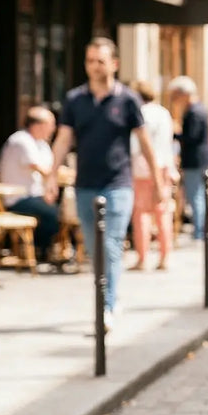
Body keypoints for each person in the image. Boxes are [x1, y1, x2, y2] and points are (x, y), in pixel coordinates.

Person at [47, 38, 162, 329]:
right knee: (93, 248)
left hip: (118, 184)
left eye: (100, 61)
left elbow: (145, 143)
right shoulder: (75, 100)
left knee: (110, 244)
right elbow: (63, 140)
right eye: (89, 61)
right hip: (85, 184)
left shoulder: (127, 100)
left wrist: (158, 181)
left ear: (114, 64)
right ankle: (107, 298)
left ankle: (106, 305)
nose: (94, 67)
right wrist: (51, 175)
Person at [0, 107, 59, 261]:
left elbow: (50, 169)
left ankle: (44, 250)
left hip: (34, 195)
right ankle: (39, 251)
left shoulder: (40, 144)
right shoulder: (21, 141)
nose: (53, 129)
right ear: (38, 125)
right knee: (54, 214)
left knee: (56, 209)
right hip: (17, 198)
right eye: (51, 124)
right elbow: (44, 170)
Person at [129, 81, 176, 271]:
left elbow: (134, 145)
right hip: (163, 165)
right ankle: (165, 256)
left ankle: (142, 257)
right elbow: (168, 143)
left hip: (141, 167)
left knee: (141, 213)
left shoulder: (139, 113)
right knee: (162, 211)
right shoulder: (163, 113)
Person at [168, 76, 208, 241]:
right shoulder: (198, 109)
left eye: (175, 96)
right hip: (198, 159)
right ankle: (200, 229)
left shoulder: (194, 111)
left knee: (196, 196)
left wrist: (174, 134)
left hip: (195, 160)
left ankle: (199, 231)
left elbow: (191, 137)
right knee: (197, 195)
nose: (175, 101)